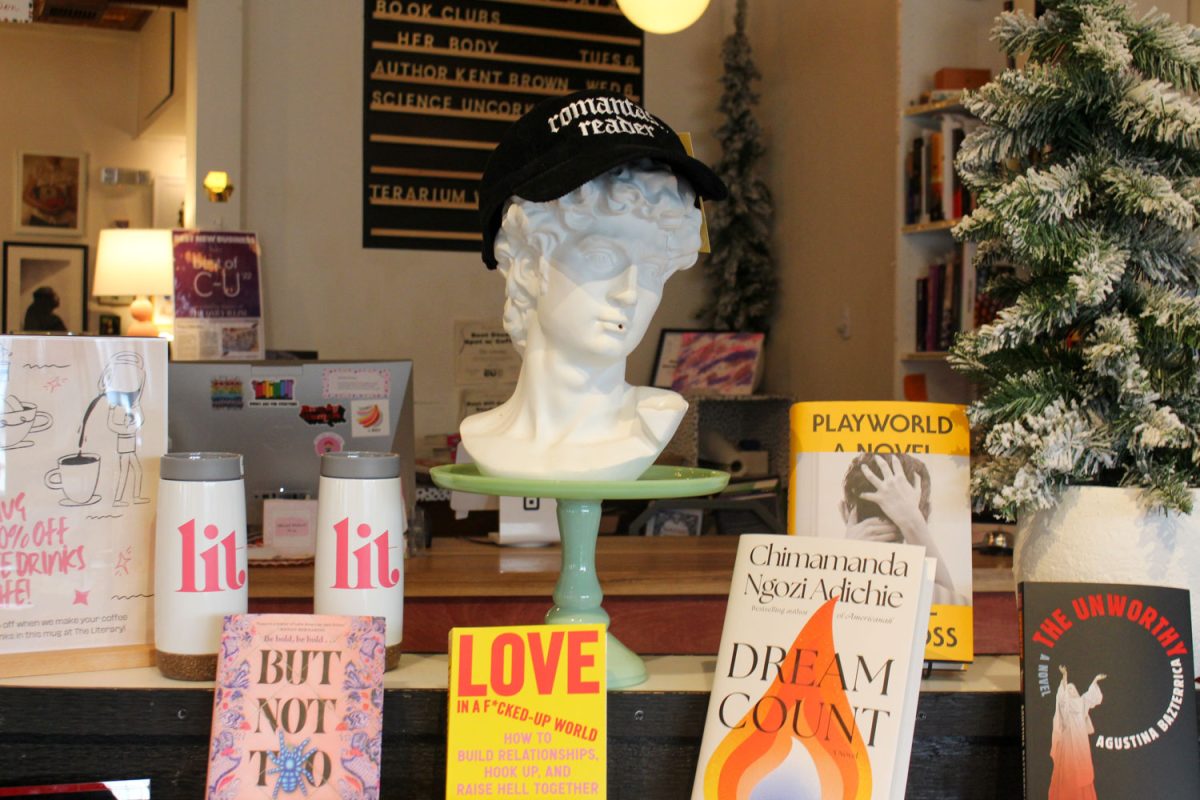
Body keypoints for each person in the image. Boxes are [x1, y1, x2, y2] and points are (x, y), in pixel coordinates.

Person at [461, 90, 727, 481]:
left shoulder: (652, 423)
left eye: (653, 268)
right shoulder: (480, 435)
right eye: (602, 258)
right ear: (530, 266)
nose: (630, 292)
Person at [841, 452, 964, 604]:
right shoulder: (931, 595)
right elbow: (953, 607)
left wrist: (844, 558)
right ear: (927, 513)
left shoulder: (825, 587)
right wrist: (913, 523)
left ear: (844, 512)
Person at [1049, 665, 1105, 800]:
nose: (1071, 691)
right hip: (1068, 741)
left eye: (1073, 689)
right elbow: (1061, 699)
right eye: (1069, 689)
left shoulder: (1081, 703)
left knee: (1082, 773)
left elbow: (1091, 697)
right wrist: (1064, 677)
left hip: (1080, 743)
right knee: (1067, 769)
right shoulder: (1066, 705)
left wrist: (1095, 680)